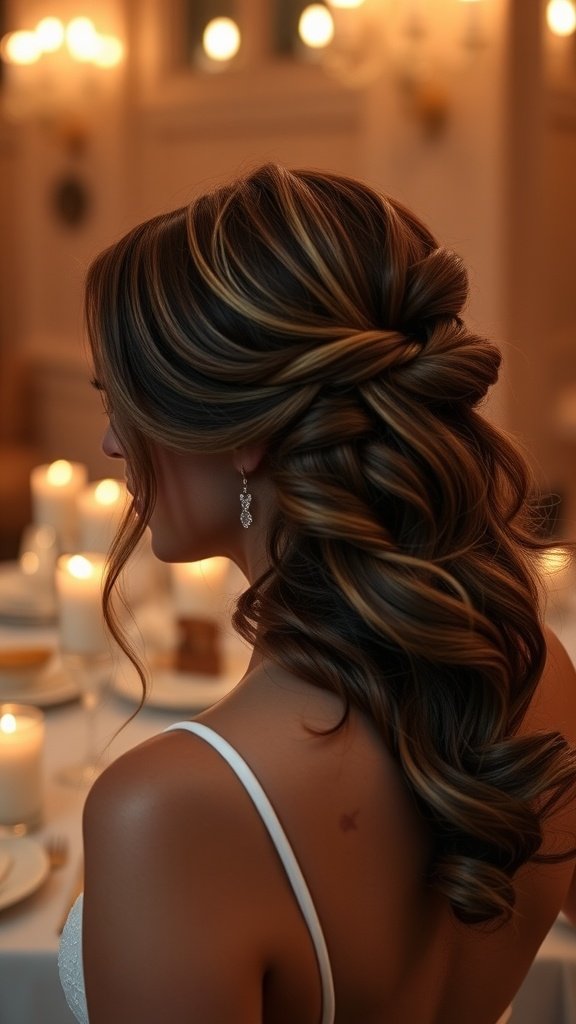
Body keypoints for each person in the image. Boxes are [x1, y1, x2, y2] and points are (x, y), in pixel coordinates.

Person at [58, 163, 576, 1024]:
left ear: (244, 436)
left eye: (126, 404)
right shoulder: (532, 666)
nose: (113, 443)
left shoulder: (166, 812)